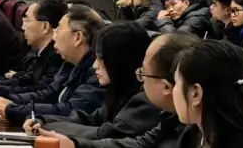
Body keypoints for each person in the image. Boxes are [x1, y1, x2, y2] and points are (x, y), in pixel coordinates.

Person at [43, 33, 201, 148]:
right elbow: (141, 145)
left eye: (143, 73)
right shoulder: (173, 118)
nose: (140, 80)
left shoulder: (201, 130)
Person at [27, 21, 158, 141]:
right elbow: (91, 119)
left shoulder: (145, 99)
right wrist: (42, 120)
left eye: (101, 58)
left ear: (119, 61)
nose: (95, 65)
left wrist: (47, 127)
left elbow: (105, 134)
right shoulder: (119, 91)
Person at [0, 4, 105, 125]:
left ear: (77, 37)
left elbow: (70, 111)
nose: (54, 35)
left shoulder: (98, 71)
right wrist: (9, 101)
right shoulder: (70, 63)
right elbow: (49, 95)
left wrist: (13, 109)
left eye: (59, 28)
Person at [0, 0, 67, 96]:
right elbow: (27, 80)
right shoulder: (39, 51)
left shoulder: (57, 56)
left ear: (45, 26)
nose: (23, 27)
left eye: (27, 20)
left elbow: (41, 91)